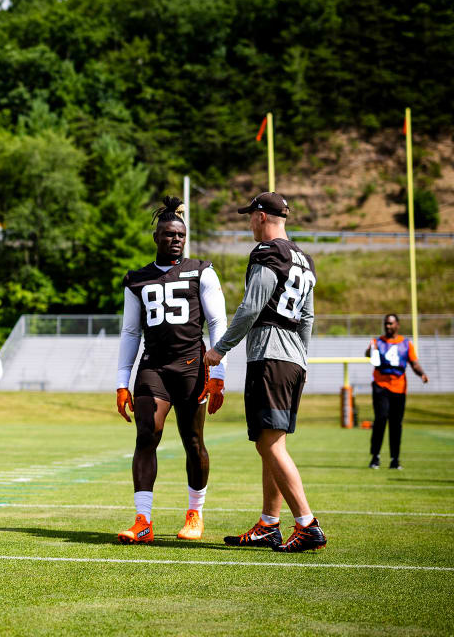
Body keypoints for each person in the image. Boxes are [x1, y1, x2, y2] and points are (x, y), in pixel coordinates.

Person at [205, 191, 326, 553]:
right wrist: (301, 359)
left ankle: (306, 523)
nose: (248, 223)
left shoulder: (267, 252)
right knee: (271, 443)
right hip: (292, 356)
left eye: (250, 216)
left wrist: (219, 349)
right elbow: (307, 317)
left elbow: (251, 307)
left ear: (261, 216)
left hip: (270, 355)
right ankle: (269, 524)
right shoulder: (305, 259)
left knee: (268, 442)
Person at [114, 196, 227, 544]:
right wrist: (122, 382)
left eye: (180, 234)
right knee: (147, 434)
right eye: (168, 234)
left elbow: (217, 322)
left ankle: (195, 513)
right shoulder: (137, 279)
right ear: (156, 237)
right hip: (154, 366)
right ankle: (142, 520)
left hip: (192, 366)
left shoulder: (201, 270)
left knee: (193, 440)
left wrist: (219, 376)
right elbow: (131, 331)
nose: (175, 239)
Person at [364, 314, 429, 470]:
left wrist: (422, 374)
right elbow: (368, 355)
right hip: (380, 385)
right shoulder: (377, 342)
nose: (388, 326)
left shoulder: (406, 343)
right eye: (386, 323)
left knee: (396, 423)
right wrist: (369, 350)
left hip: (399, 387)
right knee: (380, 419)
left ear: (397, 325)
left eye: (391, 324)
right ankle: (375, 457)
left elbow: (414, 363)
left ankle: (395, 459)